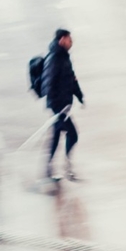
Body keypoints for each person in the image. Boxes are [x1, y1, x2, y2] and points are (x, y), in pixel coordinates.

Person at [41, 28, 85, 181]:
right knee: (72, 134)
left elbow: (71, 79)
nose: (71, 42)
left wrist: (80, 96)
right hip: (59, 107)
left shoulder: (64, 57)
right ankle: (67, 167)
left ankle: (49, 169)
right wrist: (56, 108)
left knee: (56, 137)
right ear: (62, 40)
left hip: (63, 106)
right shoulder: (54, 58)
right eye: (69, 39)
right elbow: (48, 83)